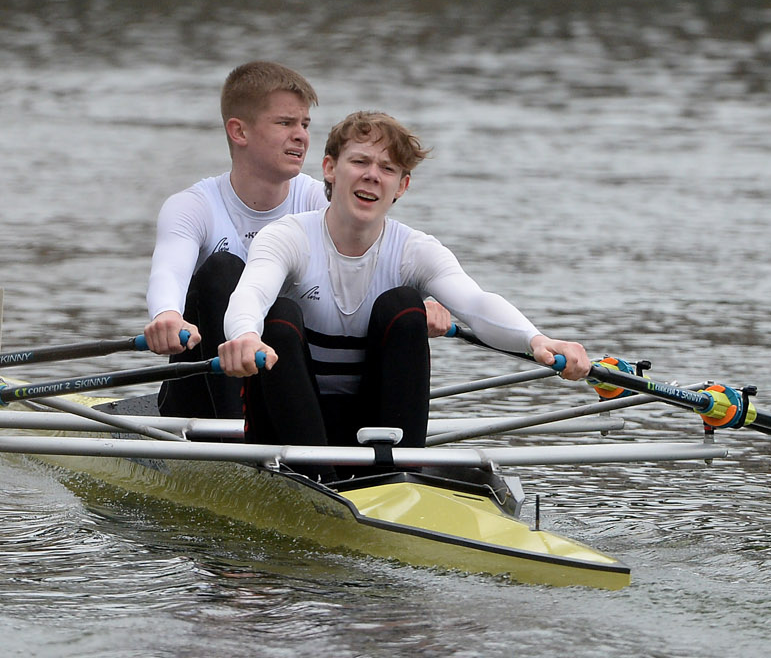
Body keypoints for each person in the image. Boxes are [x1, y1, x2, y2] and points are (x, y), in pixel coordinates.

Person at [218, 110, 592, 452]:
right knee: (279, 317)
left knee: (403, 306)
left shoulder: (415, 249)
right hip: (285, 429)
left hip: (374, 425)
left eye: (388, 168)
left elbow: (476, 304)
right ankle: (316, 473)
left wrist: (537, 340)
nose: (372, 175)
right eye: (360, 161)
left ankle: (399, 470)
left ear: (402, 186)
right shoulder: (288, 237)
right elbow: (252, 293)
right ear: (330, 168)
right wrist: (244, 337)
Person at [143, 61, 331, 418]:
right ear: (239, 132)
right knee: (224, 270)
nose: (302, 136)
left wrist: (421, 298)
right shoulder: (193, 207)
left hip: (291, 390)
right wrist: (167, 316)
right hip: (202, 402)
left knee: (286, 309)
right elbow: (168, 272)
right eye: (285, 123)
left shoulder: (317, 202)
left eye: (305, 124)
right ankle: (238, 438)